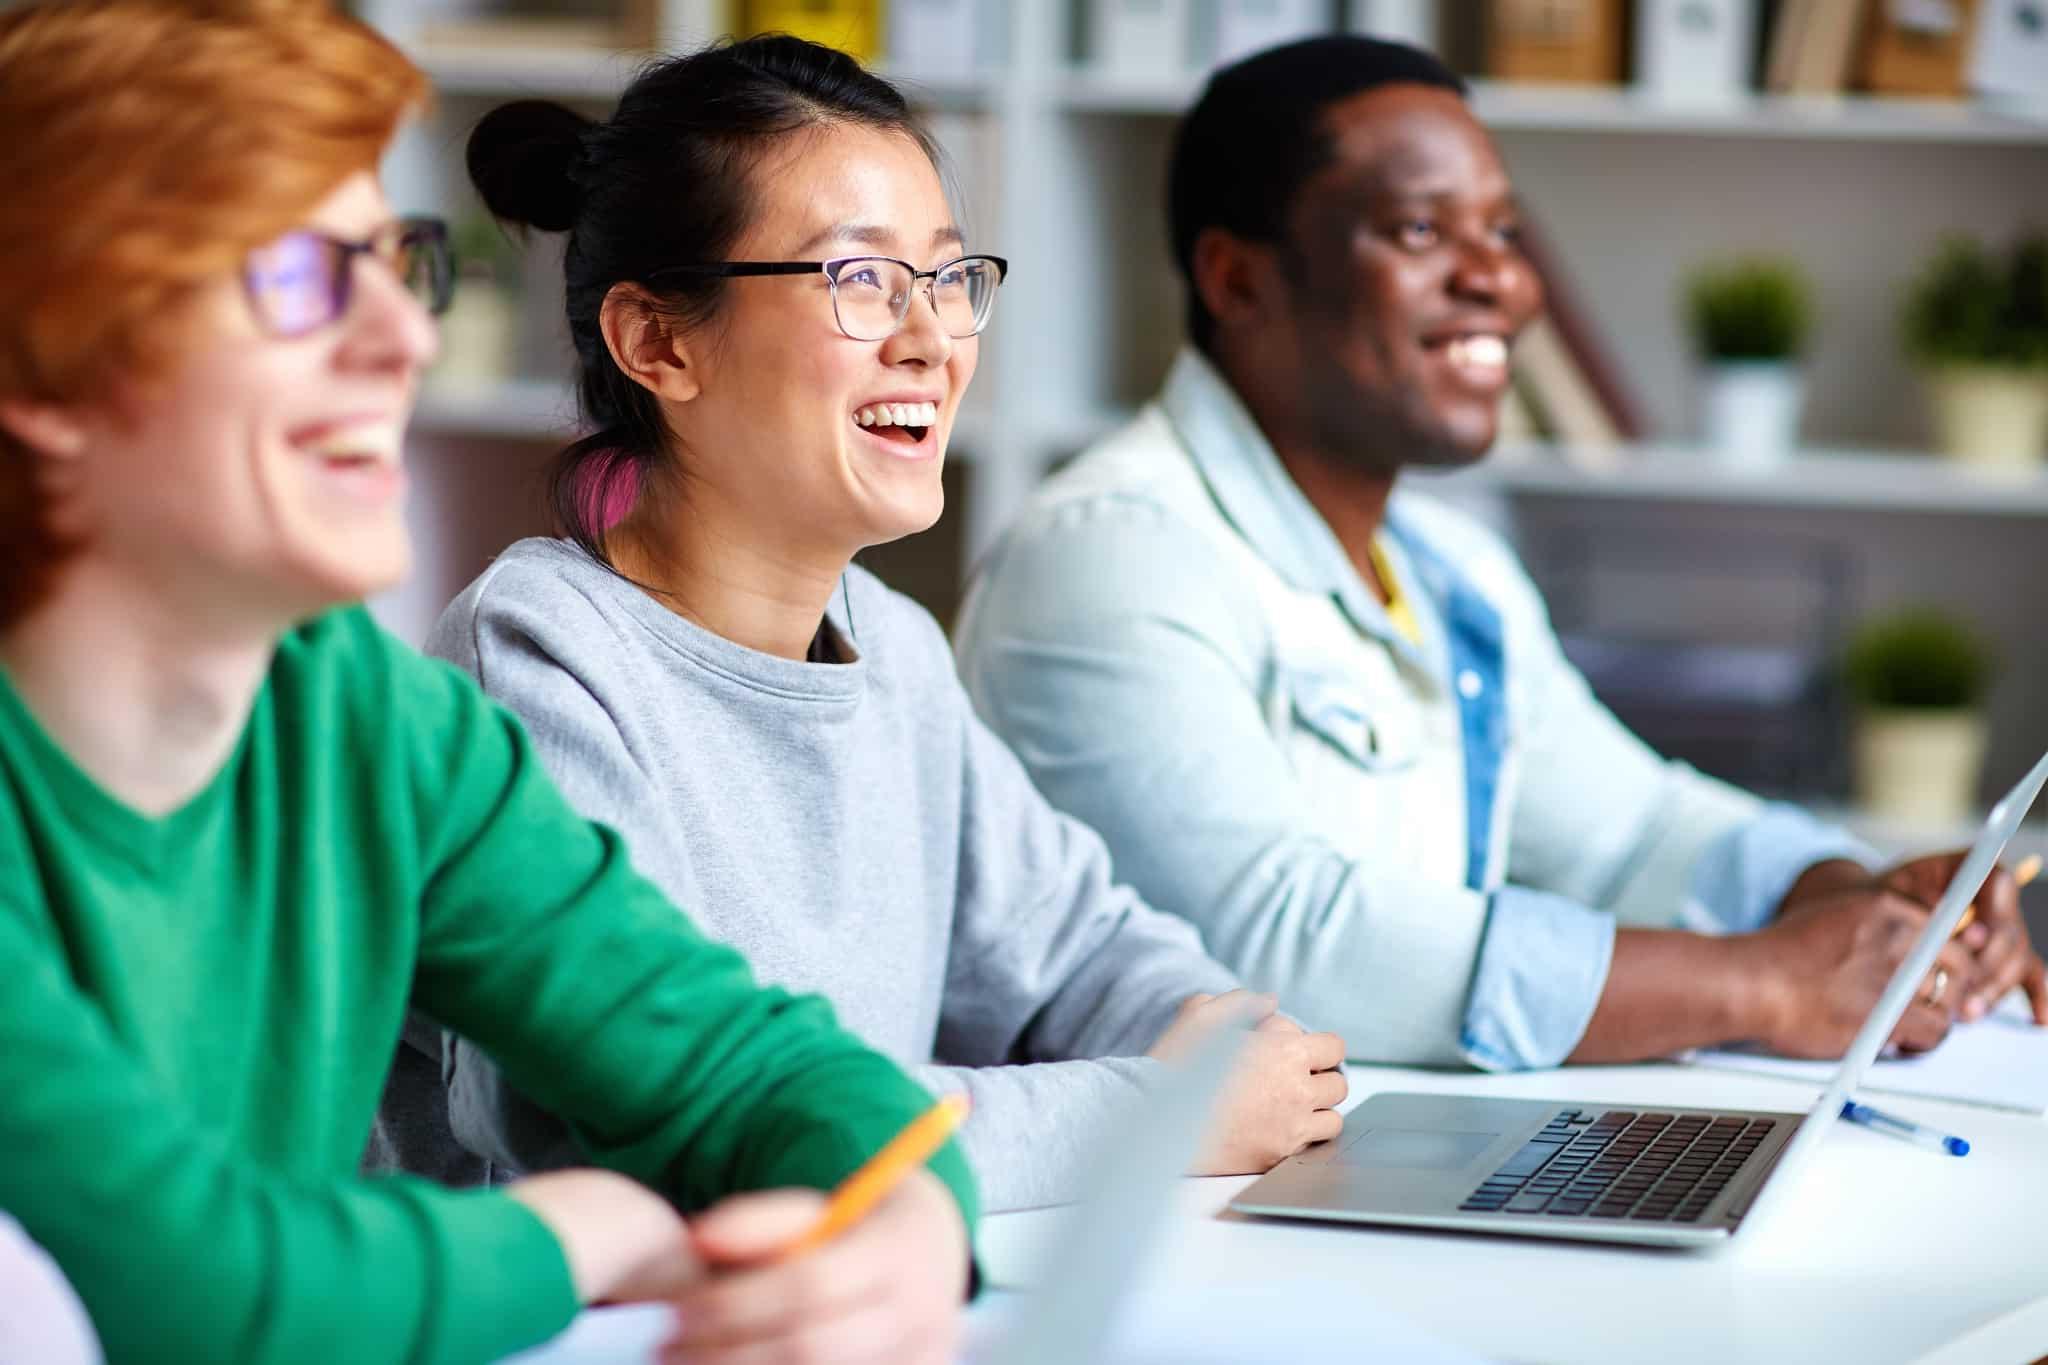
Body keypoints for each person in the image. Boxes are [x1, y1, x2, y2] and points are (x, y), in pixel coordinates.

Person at [0, 5, 977, 1362]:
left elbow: (751, 1066)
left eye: (391, 264)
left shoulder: (365, 719)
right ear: (44, 367)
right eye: (294, 277)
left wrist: (910, 1221)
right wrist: (591, 1235)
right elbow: (187, 1286)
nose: (401, 336)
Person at [383, 35, 1346, 1215]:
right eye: (858, 280)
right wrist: (1153, 1114)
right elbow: (651, 1147)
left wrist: (1227, 1056)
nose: (931, 340)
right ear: (657, 342)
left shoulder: (888, 647)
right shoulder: (538, 665)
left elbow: (1088, 956)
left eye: (946, 279)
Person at [953, 36, 2048, 1073]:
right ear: (1238, 279)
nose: (1502, 282)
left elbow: (1629, 831)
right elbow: (1276, 946)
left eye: (1503, 232)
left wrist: (1855, 900)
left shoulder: (1447, 568)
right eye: (1422, 232)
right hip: (1166, 1210)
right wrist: (1756, 984)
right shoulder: (1109, 556)